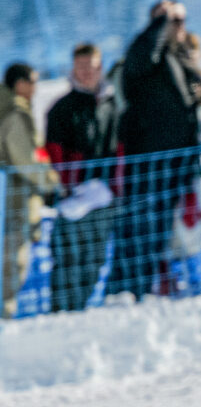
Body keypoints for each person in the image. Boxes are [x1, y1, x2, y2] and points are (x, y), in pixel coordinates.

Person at [112, 0, 201, 300]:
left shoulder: (180, 55)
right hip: (150, 161)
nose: (177, 26)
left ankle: (148, 287)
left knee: (162, 230)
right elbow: (140, 61)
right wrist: (159, 23)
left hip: (179, 160)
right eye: (170, 20)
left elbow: (192, 94)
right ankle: (131, 291)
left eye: (180, 20)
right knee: (142, 229)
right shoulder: (145, 54)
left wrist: (199, 93)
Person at [44, 43, 119, 312]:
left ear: (101, 68)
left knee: (94, 260)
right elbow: (53, 153)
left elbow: (118, 149)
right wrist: (64, 186)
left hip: (102, 198)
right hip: (72, 200)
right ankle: (61, 313)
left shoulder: (111, 105)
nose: (87, 72)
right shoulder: (62, 108)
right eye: (81, 67)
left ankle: (80, 310)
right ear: (73, 69)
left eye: (92, 66)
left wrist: (114, 186)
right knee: (68, 261)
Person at [0, 63, 60, 318]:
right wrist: (51, 183)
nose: (36, 87)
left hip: (13, 201)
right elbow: (27, 161)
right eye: (33, 81)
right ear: (20, 84)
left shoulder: (12, 109)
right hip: (14, 203)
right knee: (13, 264)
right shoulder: (15, 114)